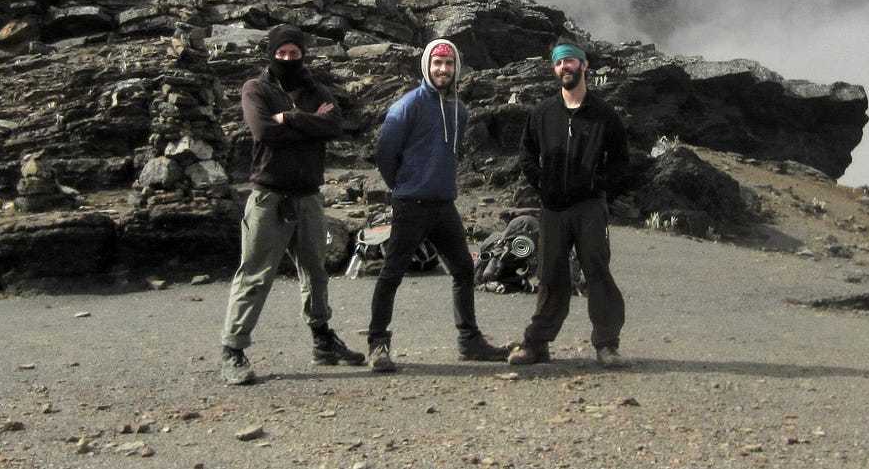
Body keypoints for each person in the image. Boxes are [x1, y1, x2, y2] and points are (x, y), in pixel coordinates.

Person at [219, 24, 364, 385]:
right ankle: (232, 350)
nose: (287, 58)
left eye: (294, 53)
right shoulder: (256, 89)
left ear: (303, 54)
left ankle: (322, 340)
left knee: (315, 272)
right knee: (255, 274)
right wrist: (310, 125)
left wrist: (293, 118)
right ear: (271, 54)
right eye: (281, 53)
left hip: (308, 197)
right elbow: (263, 131)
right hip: (269, 197)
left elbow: (334, 126)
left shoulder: (317, 90)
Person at [365, 38, 512, 372]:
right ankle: (377, 345)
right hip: (410, 204)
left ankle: (469, 341)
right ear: (427, 67)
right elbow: (385, 154)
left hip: (444, 205)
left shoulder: (460, 110)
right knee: (392, 274)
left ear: (456, 68)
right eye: (437, 63)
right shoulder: (407, 106)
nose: (442, 69)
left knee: (463, 270)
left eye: (448, 64)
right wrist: (403, 186)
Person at [507, 42, 630, 368]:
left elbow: (621, 161)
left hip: (589, 207)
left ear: (584, 65)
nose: (565, 67)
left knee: (597, 271)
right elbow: (526, 153)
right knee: (550, 276)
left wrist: (599, 186)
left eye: (571, 61)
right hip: (553, 209)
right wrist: (542, 182)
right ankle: (536, 344)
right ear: (554, 68)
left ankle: (607, 344)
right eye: (559, 62)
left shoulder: (603, 114)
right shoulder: (543, 112)